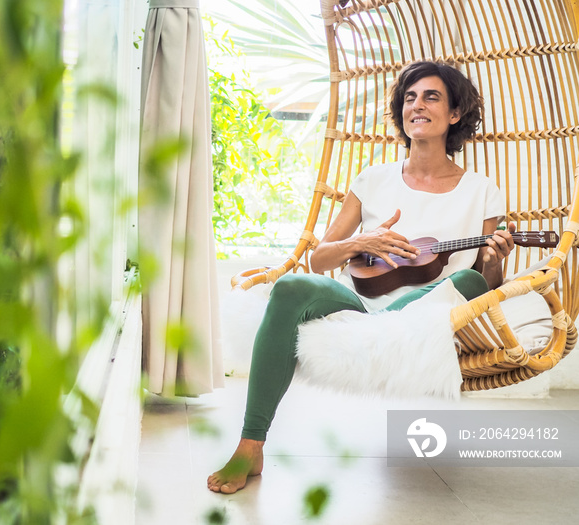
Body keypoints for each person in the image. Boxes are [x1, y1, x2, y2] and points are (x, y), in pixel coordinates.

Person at [207, 60, 516, 494]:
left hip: (430, 311)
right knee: (292, 286)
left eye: (431, 97)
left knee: (468, 283)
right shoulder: (372, 179)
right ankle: (250, 443)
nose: (417, 105)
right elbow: (318, 259)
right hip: (361, 306)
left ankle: (387, 324)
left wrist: (495, 257)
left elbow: (489, 285)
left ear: (454, 114)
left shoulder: (481, 190)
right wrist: (362, 243)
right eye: (409, 98)